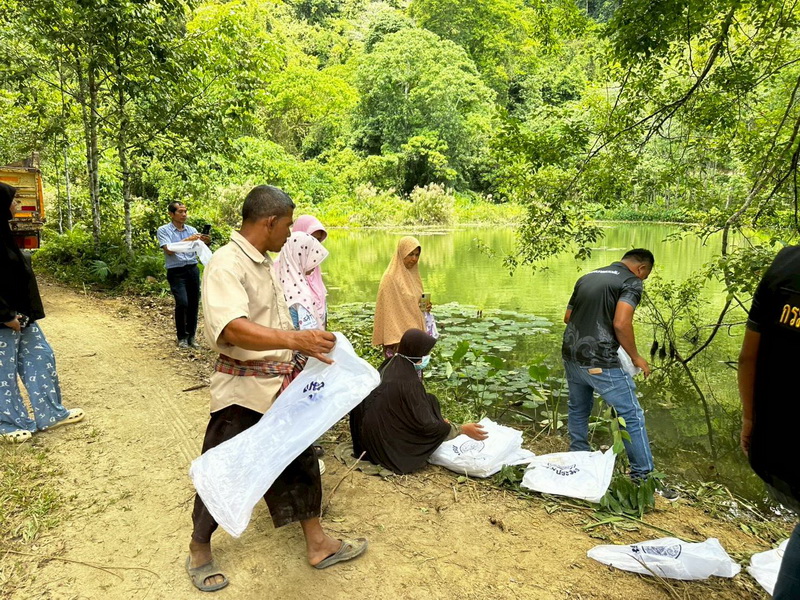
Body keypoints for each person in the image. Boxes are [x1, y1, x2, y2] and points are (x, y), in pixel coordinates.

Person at [187, 185, 367, 593]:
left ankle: (317, 543)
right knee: (225, 469)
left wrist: (307, 348)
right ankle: (199, 547)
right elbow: (232, 328)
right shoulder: (226, 264)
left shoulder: (264, 262)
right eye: (287, 225)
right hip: (243, 391)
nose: (290, 234)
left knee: (299, 461)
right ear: (269, 221)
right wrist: (294, 341)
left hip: (279, 389)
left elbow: (276, 323)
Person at [562, 249, 677, 499]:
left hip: (571, 354)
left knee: (578, 408)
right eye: (645, 276)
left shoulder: (588, 277)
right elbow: (621, 323)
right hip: (600, 359)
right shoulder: (631, 281)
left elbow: (568, 317)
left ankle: (579, 459)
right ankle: (644, 479)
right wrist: (636, 357)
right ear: (642, 269)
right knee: (631, 415)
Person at [0, 182, 84, 443]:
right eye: (13, 200)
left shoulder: (4, 231)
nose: (17, 205)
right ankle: (8, 424)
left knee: (41, 358)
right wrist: (4, 315)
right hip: (5, 318)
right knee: (4, 372)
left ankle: (51, 414)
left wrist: (22, 313)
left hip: (23, 315)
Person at [739, 245, 800, 599]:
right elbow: (622, 321)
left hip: (779, 444)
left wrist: (751, 419)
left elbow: (749, 356)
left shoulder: (787, 263)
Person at [350, 328, 487, 474]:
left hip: (364, 439)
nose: (427, 357)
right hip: (382, 448)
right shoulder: (409, 382)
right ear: (417, 353)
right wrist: (461, 429)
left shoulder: (391, 362)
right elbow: (426, 425)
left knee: (430, 400)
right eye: (426, 353)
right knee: (430, 415)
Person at [276, 230, 330, 473]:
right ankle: (301, 460)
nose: (312, 269)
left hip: (283, 359)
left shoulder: (280, 280)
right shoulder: (297, 292)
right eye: (310, 261)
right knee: (302, 407)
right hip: (298, 363)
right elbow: (307, 333)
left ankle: (298, 453)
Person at [156, 201, 210, 349]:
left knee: (193, 303)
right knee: (182, 302)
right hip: (176, 271)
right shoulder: (164, 230)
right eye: (180, 211)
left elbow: (198, 247)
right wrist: (189, 240)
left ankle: (191, 337)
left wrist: (205, 241)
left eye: (185, 211)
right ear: (171, 214)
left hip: (192, 269)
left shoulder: (191, 229)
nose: (184, 214)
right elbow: (169, 249)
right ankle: (182, 337)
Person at [372, 236, 429, 358]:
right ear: (401, 253)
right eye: (410, 254)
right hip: (398, 341)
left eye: (417, 255)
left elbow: (414, 304)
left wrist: (425, 307)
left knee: (415, 376)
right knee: (399, 374)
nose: (414, 259)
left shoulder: (413, 276)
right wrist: (397, 340)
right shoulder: (390, 278)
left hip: (414, 338)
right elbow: (388, 314)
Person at [290, 215, 329, 327]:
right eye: (312, 239)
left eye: (318, 240)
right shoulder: (283, 268)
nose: (315, 245)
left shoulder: (313, 268)